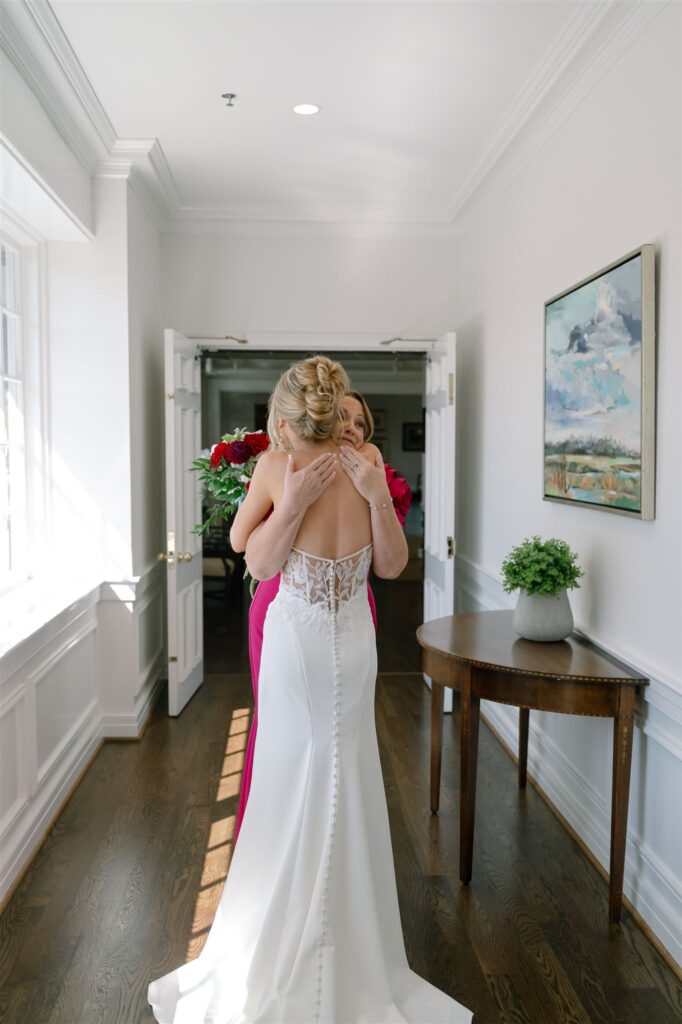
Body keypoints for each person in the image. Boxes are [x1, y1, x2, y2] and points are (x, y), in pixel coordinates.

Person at [148, 354, 473, 1024]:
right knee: (331, 774)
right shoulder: (346, 464)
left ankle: (303, 937)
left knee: (306, 775)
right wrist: (344, 497)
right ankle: (342, 943)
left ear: (291, 413)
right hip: (346, 641)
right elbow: (387, 567)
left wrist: (313, 498)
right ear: (334, 410)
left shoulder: (287, 465)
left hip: (307, 640)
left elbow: (258, 557)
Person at [232, 390, 383, 846]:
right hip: (287, 602)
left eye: (359, 421)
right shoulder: (285, 466)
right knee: (279, 722)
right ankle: (266, 830)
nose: (352, 428)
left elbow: (387, 558)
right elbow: (253, 552)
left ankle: (312, 840)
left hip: (347, 605)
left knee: (326, 737)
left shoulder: (361, 466)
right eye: (344, 418)